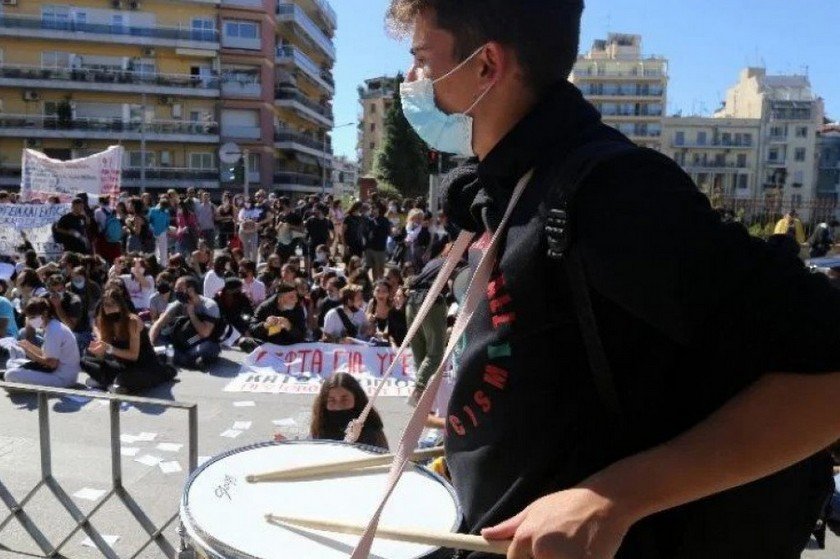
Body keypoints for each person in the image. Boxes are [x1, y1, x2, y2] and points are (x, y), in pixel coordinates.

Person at [385, 2, 840, 559]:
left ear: (487, 66)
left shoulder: (613, 196)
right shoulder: (510, 184)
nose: (412, 82)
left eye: (423, 61)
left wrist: (614, 498)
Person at [82, 289, 176, 394]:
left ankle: (109, 382)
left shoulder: (132, 321)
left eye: (113, 304)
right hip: (122, 365)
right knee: (85, 360)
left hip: (142, 366)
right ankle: (111, 383)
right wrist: (98, 353)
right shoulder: (105, 322)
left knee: (124, 379)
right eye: (106, 305)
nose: (110, 308)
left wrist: (109, 349)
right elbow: (103, 352)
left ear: (121, 305)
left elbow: (133, 355)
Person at [4, 298, 80, 388]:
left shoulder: (54, 330)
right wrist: (28, 346)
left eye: (32, 318)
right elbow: (47, 355)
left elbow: (51, 363)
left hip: (62, 378)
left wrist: (29, 352)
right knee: (11, 362)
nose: (30, 321)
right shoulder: (52, 326)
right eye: (29, 318)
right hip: (58, 372)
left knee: (10, 374)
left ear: (45, 314)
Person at [149, 276, 222, 368]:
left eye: (179, 289)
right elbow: (158, 324)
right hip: (180, 340)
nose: (176, 291)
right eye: (175, 289)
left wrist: (191, 314)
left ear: (191, 290)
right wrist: (150, 344)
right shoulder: (178, 303)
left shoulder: (209, 306)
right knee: (154, 335)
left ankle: (179, 358)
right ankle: (188, 360)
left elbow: (205, 333)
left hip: (199, 340)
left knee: (209, 347)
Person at [309, 372, 388, 450]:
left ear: (356, 399)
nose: (338, 407)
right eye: (331, 400)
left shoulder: (372, 432)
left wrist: (355, 441)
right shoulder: (318, 429)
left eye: (344, 400)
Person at [246, 282, 307, 347]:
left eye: (296, 296)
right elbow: (252, 329)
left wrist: (289, 327)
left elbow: (302, 335)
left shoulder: (298, 309)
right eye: (291, 297)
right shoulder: (265, 307)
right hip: (267, 344)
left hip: (290, 345)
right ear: (280, 299)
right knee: (244, 342)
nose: (296, 300)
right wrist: (265, 325)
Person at [45, 273, 92, 355]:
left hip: (79, 332)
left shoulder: (74, 301)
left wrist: (58, 306)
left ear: (64, 288)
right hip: (57, 330)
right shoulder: (46, 298)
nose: (56, 294)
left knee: (71, 338)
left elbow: (70, 326)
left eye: (59, 290)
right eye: (53, 291)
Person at [366, 202, 391, 280]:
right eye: (372, 208)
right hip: (372, 247)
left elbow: (388, 232)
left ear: (379, 209)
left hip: (381, 247)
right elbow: (368, 233)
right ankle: (375, 283)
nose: (372, 210)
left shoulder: (385, 220)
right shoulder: (370, 220)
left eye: (374, 208)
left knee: (380, 269)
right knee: (374, 268)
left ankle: (380, 282)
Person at [148, 194, 172, 266]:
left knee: (163, 252)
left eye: (166, 207)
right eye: (164, 206)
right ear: (160, 204)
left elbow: (167, 224)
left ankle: (163, 266)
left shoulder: (167, 212)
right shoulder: (152, 210)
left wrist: (166, 230)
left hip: (162, 233)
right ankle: (154, 265)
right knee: (154, 251)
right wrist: (152, 229)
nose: (164, 208)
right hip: (153, 233)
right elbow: (150, 220)